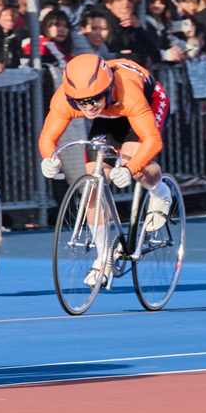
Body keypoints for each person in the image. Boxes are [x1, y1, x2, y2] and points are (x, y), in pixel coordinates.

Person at [36, 53, 172, 288]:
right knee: (93, 185)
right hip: (109, 114)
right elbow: (48, 136)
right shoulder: (66, 100)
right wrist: (49, 158)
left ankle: (160, 191)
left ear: (107, 89)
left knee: (133, 159)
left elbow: (153, 141)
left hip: (145, 102)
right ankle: (102, 259)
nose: (88, 106)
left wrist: (131, 168)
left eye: (93, 99)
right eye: (81, 102)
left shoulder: (128, 92)